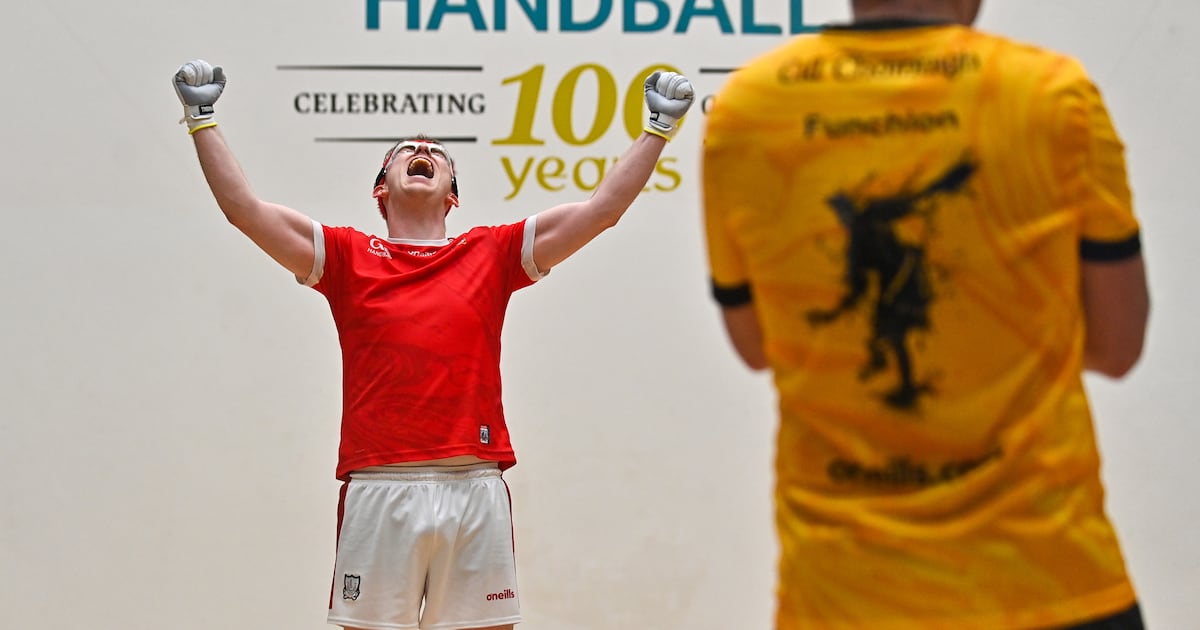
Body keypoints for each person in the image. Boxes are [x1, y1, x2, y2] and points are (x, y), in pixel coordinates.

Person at [172, 59, 693, 630]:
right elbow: (243, 210)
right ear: (381, 187)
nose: (421, 149)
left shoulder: (491, 252)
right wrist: (203, 119)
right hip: (379, 487)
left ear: (452, 197)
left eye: (437, 153)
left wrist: (657, 129)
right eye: (405, 149)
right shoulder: (345, 257)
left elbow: (602, 212)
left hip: (475, 485)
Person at [700, 1, 1150, 628]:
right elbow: (1117, 343)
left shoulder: (748, 109)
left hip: (842, 596)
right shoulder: (1048, 96)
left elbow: (757, 346)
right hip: (1045, 580)